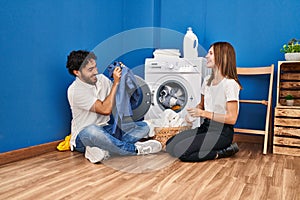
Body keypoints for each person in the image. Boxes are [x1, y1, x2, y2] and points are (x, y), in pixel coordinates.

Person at [66, 50, 162, 163]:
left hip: (106, 130)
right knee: (92, 130)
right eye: (90, 70)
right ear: (77, 72)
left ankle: (103, 150)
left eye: (95, 67)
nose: (96, 71)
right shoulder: (75, 91)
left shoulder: (101, 80)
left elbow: (118, 96)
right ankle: (135, 149)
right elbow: (105, 109)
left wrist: (124, 79)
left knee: (144, 127)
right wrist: (116, 83)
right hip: (83, 136)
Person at [166, 42, 242, 162]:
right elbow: (201, 105)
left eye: (211, 53)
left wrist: (202, 113)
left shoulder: (230, 84)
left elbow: (232, 118)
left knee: (184, 153)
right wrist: (193, 113)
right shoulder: (207, 81)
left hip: (222, 132)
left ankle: (223, 152)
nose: (206, 56)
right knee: (170, 145)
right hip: (206, 127)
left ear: (222, 57)